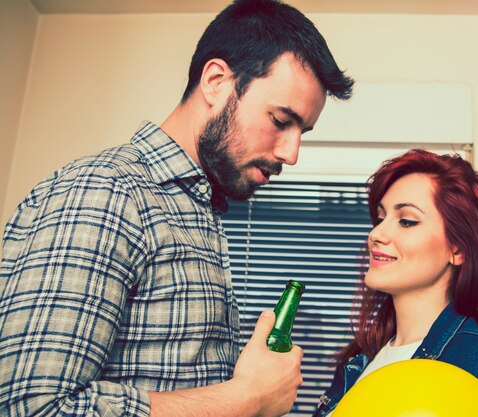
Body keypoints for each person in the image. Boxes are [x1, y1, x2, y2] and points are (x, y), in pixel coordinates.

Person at [0, 0, 353, 416]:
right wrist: (245, 399)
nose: (292, 153)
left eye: (302, 132)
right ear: (216, 82)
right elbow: (30, 407)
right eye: (280, 120)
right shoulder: (108, 192)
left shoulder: (198, 210)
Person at [313, 149, 478, 417]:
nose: (376, 233)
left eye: (406, 221)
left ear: (458, 249)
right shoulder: (354, 366)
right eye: (381, 219)